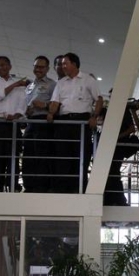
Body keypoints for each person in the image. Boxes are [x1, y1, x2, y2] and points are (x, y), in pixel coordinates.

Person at [46, 53, 103, 193]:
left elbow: (99, 100)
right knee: (62, 155)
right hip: (64, 121)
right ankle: (62, 189)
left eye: (65, 63)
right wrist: (51, 113)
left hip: (82, 121)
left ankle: (79, 188)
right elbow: (55, 102)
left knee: (81, 154)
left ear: (75, 64)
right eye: (61, 64)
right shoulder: (61, 83)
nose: (62, 66)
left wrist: (94, 116)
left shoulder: (88, 80)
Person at [0, 56, 28, 192]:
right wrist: (15, 85)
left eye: (3, 65)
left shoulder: (19, 85)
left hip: (12, 124)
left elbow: (23, 105)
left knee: (13, 156)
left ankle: (13, 186)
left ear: (9, 66)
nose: (0, 68)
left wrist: (17, 114)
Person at [23, 56, 56, 193]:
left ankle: (41, 186)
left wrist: (44, 105)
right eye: (36, 66)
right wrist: (27, 109)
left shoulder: (52, 84)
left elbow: (57, 104)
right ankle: (29, 185)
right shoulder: (30, 86)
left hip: (44, 122)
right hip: (30, 122)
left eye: (41, 67)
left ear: (47, 69)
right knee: (28, 155)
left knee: (41, 154)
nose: (38, 69)